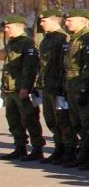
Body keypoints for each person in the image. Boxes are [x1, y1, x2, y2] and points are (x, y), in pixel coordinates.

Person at [62, 9, 89, 170]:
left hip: (85, 87)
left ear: (83, 21)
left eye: (70, 20)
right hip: (72, 86)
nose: (66, 23)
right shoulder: (74, 39)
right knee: (78, 122)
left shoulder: (88, 39)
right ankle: (85, 151)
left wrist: (83, 88)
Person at [1, 15, 44, 161]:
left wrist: (26, 87)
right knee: (13, 120)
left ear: (19, 27)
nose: (6, 30)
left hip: (22, 89)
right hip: (10, 89)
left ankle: (37, 148)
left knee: (30, 118)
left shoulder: (27, 43)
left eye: (8, 27)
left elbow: (30, 68)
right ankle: (20, 147)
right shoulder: (12, 43)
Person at [35, 9, 72, 164]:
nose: (41, 23)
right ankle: (59, 147)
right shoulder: (46, 39)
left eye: (44, 21)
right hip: (48, 87)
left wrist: (62, 87)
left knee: (63, 120)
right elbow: (42, 65)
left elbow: (63, 65)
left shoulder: (63, 38)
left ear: (55, 21)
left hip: (58, 88)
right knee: (51, 120)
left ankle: (69, 150)